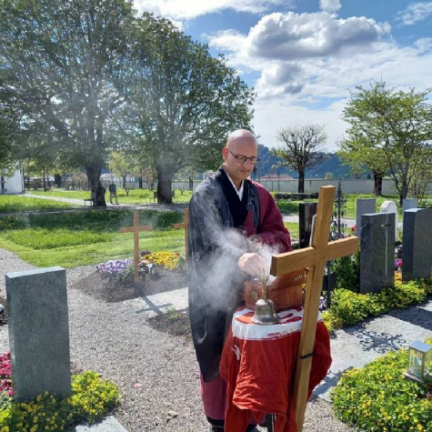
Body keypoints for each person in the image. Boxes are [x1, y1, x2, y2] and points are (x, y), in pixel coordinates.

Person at [188, 129, 292, 432]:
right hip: (215, 298)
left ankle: (248, 419)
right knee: (220, 362)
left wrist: (257, 241)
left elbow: (281, 235)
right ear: (225, 154)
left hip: (250, 294)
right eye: (240, 157)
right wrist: (238, 256)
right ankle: (221, 424)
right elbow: (209, 240)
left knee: (252, 360)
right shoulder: (205, 195)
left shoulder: (259, 194)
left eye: (252, 160)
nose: (246, 165)